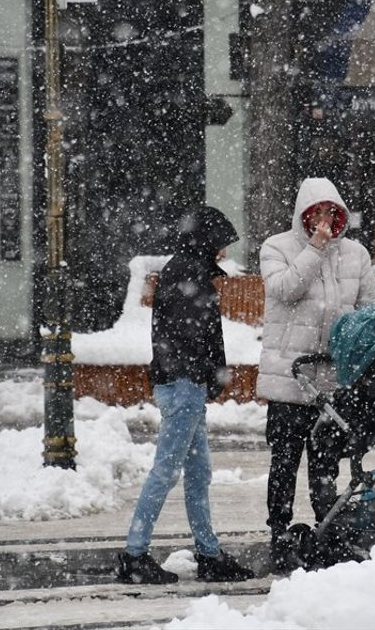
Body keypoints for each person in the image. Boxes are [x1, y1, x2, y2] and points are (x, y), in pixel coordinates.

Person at [115, 206, 255, 585]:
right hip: (183, 386)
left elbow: (189, 335)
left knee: (197, 473)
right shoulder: (189, 274)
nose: (224, 252)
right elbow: (194, 336)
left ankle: (208, 553)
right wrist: (207, 374)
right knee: (166, 471)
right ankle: (134, 555)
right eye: (222, 244)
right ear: (207, 240)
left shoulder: (185, 270)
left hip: (181, 384)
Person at [257, 178, 375, 570]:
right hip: (288, 377)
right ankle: (279, 530)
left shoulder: (356, 254)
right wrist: (315, 249)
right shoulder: (276, 247)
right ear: (304, 215)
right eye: (318, 213)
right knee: (285, 460)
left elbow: (369, 312)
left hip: (332, 379)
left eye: (333, 213)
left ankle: (326, 532)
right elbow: (286, 289)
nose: (326, 221)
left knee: (326, 461)